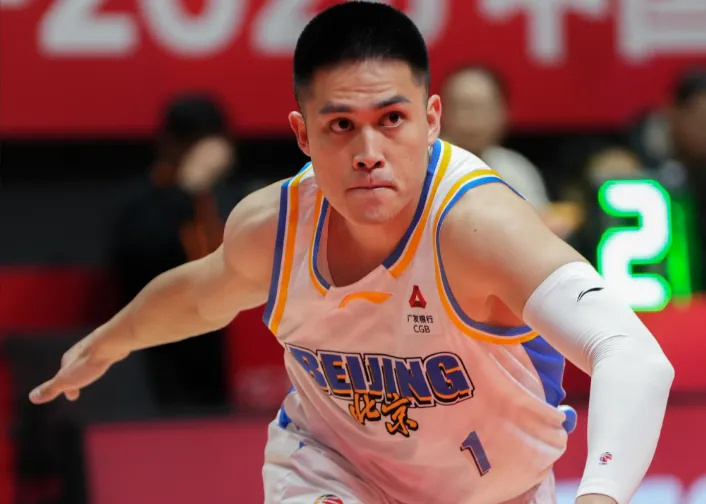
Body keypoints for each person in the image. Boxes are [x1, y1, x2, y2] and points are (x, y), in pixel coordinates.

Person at [30, 3, 673, 504]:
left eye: (391, 119)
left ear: (432, 119)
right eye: (341, 125)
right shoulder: (273, 227)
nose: (368, 152)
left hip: (495, 489)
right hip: (331, 467)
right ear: (302, 134)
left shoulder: (478, 225)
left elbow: (632, 355)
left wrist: (599, 494)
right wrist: (109, 341)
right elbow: (201, 295)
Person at [110, 93, 235, 412]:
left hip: (215, 355)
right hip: (156, 355)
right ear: (168, 141)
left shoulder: (224, 199)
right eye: (194, 144)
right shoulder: (141, 203)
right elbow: (141, 259)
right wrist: (186, 187)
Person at [440, 65, 583, 241]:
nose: (471, 119)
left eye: (481, 108)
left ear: (502, 113)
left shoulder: (515, 168)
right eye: (462, 107)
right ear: (440, 112)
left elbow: (543, 228)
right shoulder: (423, 167)